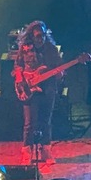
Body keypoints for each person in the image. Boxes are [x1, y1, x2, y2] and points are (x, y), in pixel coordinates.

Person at [13, 21, 64, 162]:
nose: (40, 38)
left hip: (48, 87)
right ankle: (27, 151)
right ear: (32, 36)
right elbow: (17, 66)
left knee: (45, 121)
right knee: (29, 122)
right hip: (29, 87)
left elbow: (59, 66)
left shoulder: (51, 49)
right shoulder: (25, 49)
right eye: (37, 36)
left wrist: (61, 73)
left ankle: (45, 150)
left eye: (43, 35)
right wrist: (20, 81)